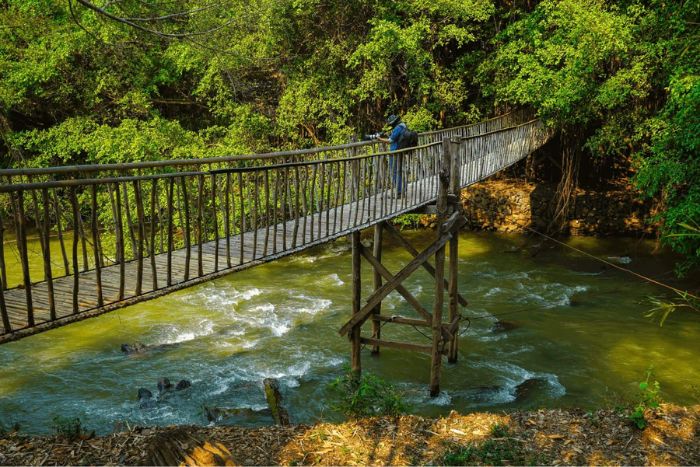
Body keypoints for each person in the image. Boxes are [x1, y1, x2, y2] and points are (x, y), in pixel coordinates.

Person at [378, 114, 407, 198]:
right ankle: (402, 190)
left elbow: (390, 140)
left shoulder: (398, 128)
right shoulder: (403, 126)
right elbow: (395, 138)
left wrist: (380, 139)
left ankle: (398, 193)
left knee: (395, 172)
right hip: (401, 151)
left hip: (395, 152)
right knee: (400, 171)